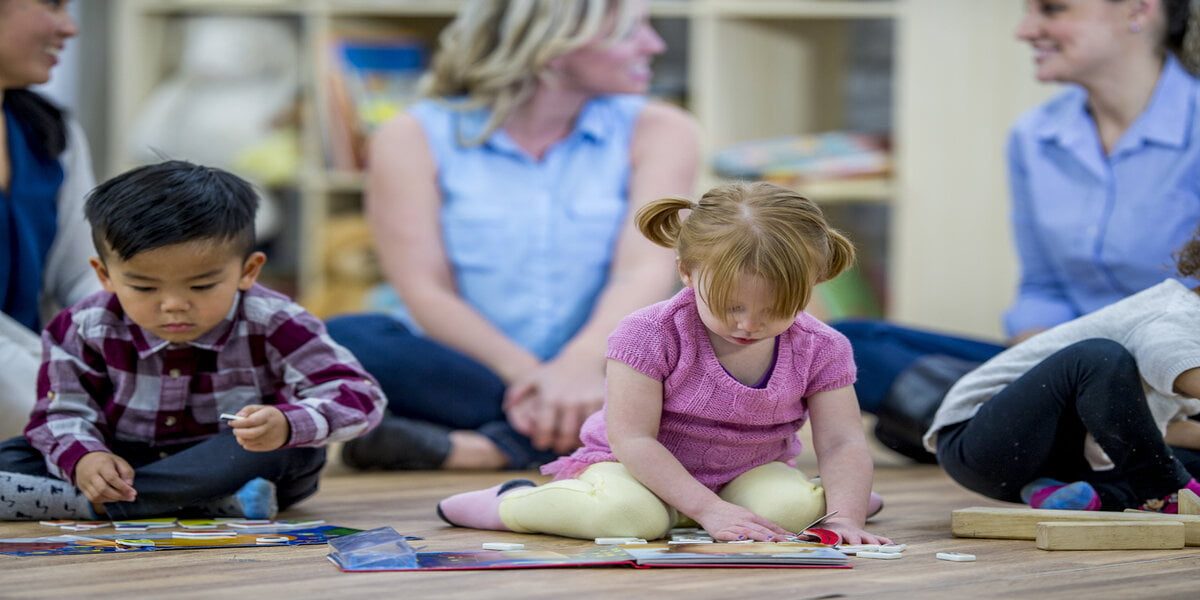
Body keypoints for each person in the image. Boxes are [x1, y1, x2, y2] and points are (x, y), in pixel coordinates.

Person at [327, 0, 698, 472]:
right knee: (347, 338)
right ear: (555, 47)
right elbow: (424, 288)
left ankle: (494, 447)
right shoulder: (410, 135)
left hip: (612, 365)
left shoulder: (663, 129)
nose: (654, 44)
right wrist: (536, 378)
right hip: (479, 373)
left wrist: (582, 366)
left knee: (747, 353)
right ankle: (597, 434)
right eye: (632, 32)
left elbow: (643, 270)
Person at [837, 0, 1200, 462]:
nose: (1026, 30)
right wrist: (1037, 358)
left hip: (1179, 376)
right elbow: (1041, 286)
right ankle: (1050, 432)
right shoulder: (1035, 136)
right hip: (1064, 364)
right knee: (847, 345)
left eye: (1052, 9)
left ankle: (982, 429)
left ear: (1138, 10)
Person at [436, 182, 889, 545]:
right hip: (633, 467)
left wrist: (845, 518)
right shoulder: (648, 333)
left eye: (777, 309)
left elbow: (842, 442)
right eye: (730, 306)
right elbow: (633, 439)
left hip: (746, 471)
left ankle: (826, 499)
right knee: (628, 518)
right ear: (687, 272)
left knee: (784, 512)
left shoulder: (822, 345)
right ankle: (511, 502)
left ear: (812, 285)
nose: (749, 324)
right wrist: (709, 510)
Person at [0, 160, 386, 521]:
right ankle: (208, 504)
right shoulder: (82, 326)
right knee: (18, 455)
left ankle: (92, 506)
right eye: (143, 287)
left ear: (248, 271)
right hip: (126, 457)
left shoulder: (275, 320)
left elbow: (359, 394)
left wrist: (287, 423)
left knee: (289, 452)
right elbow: (60, 413)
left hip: (229, 457)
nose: (173, 306)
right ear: (105, 276)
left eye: (202, 285)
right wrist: (87, 458)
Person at [926, 226, 1200, 512]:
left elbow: (1150, 429)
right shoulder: (1178, 313)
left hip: (1057, 461)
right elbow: (1171, 357)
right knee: (1098, 356)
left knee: (1184, 461)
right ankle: (1167, 490)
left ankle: (1083, 496)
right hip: (979, 438)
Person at [0, 0, 101, 438]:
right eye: (53, 4)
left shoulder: (46, 130)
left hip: (38, 391)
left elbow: (86, 274)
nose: (69, 28)